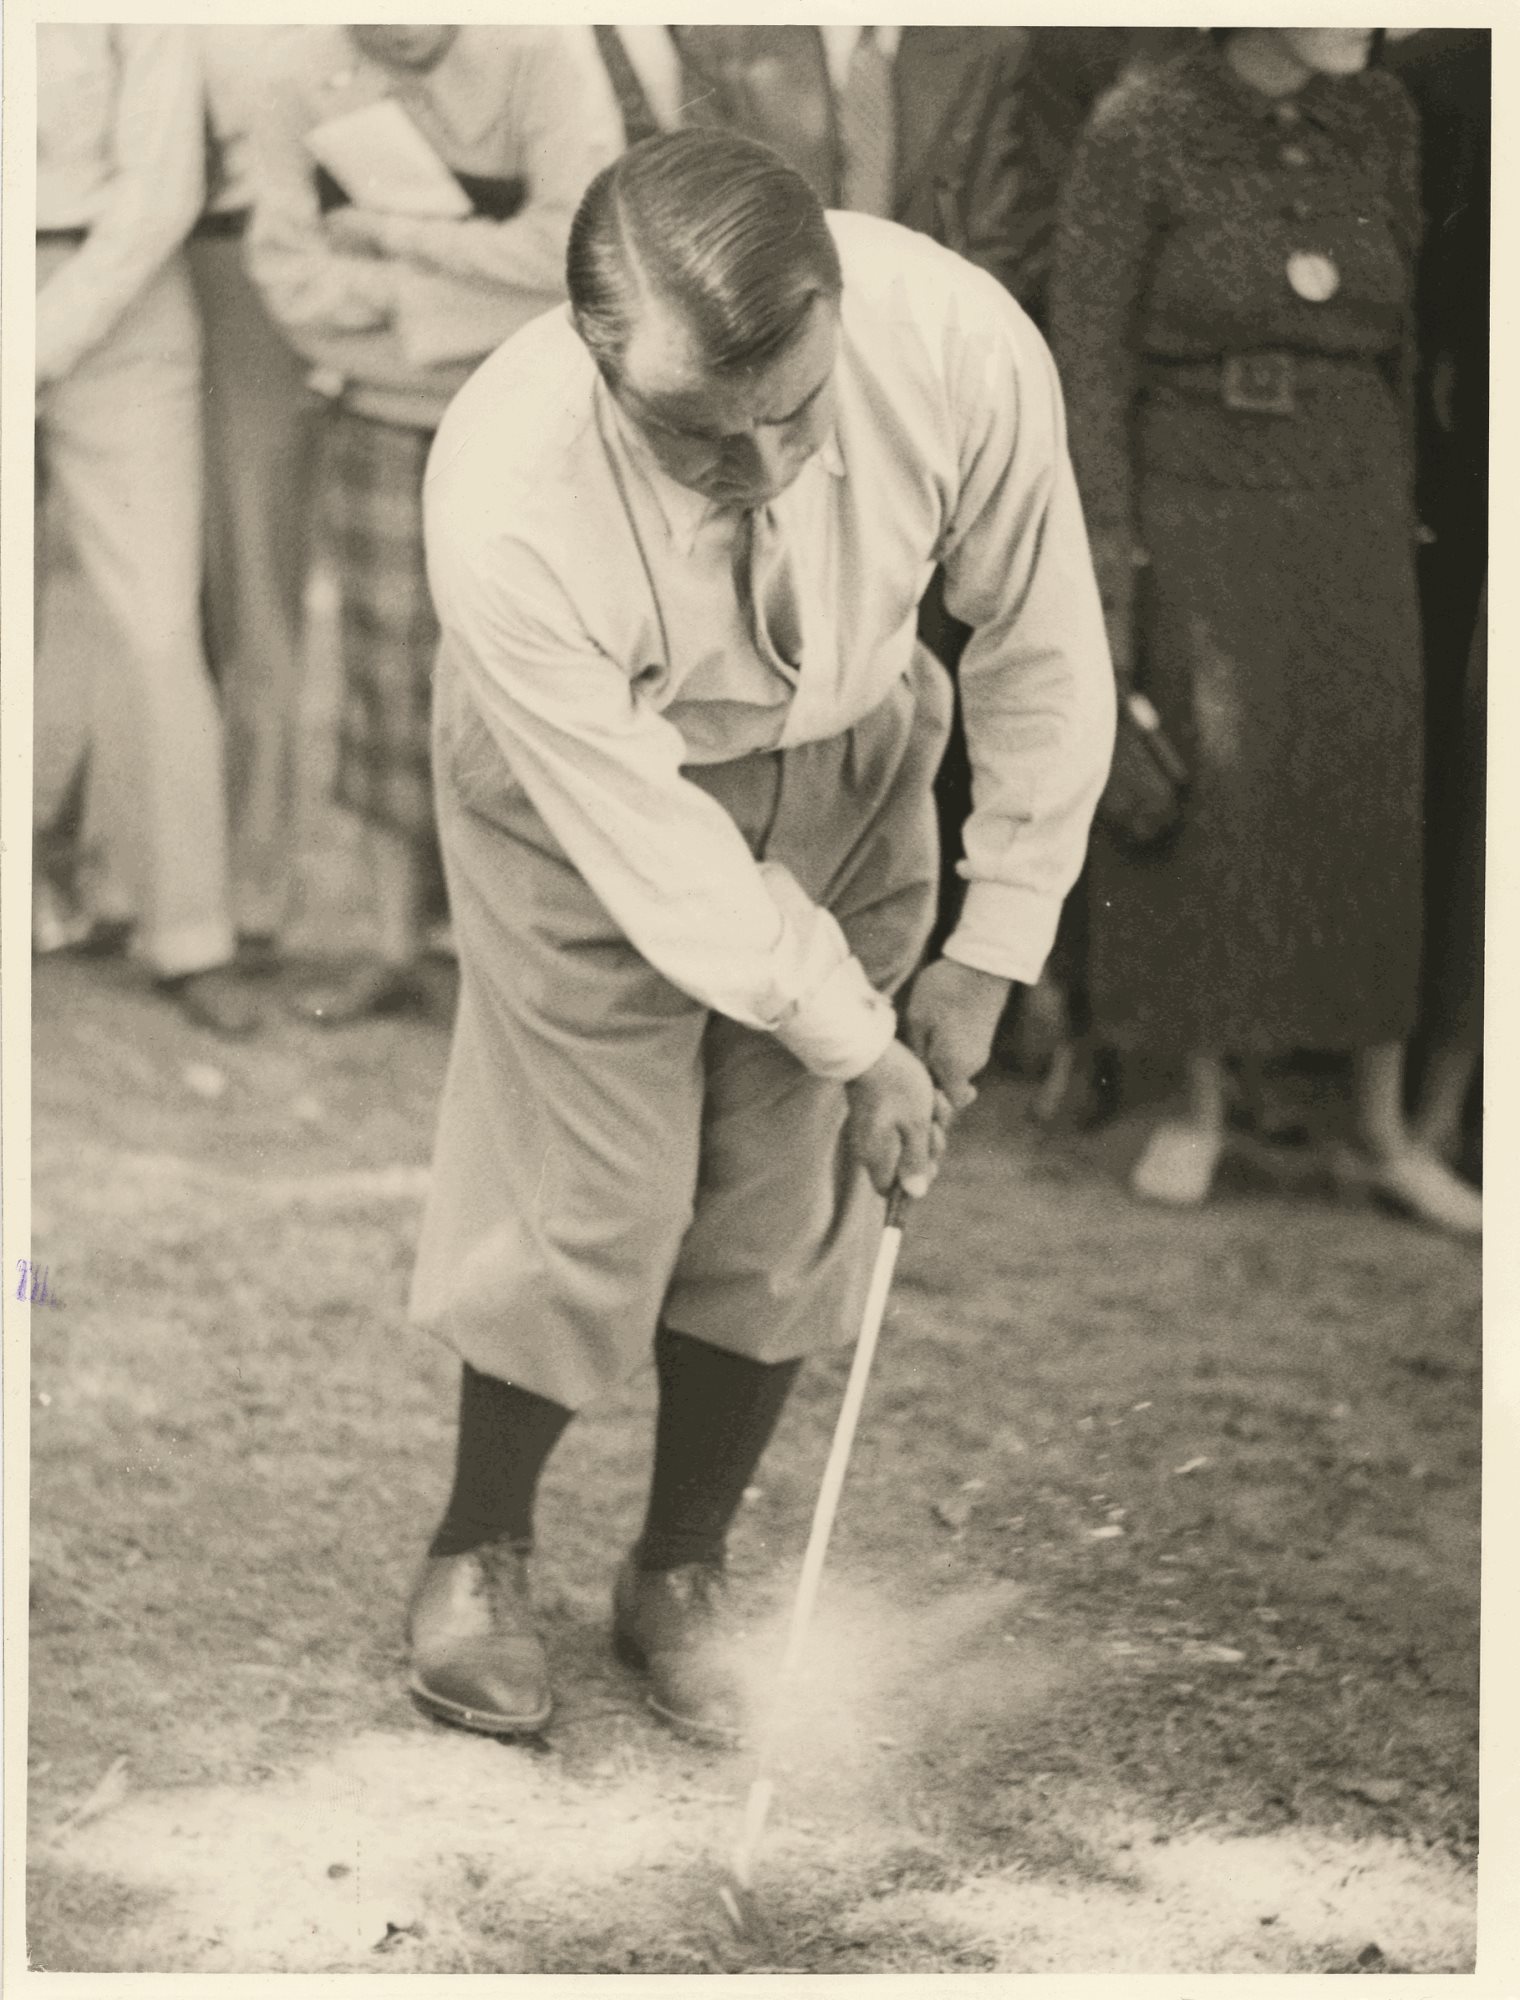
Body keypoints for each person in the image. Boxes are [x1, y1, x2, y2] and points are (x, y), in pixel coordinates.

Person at [405, 131, 1113, 1741]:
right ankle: (478, 1546)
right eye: (698, 436)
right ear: (596, 358)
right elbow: (659, 860)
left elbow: (1040, 644)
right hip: (594, 794)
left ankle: (680, 1568)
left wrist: (990, 950)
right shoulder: (504, 492)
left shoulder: (961, 343)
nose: (765, 465)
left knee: (791, 1189)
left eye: (794, 411)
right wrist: (860, 1036)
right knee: (592, 1181)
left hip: (853, 750)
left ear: (836, 304)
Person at [1050, 28, 1480, 1236]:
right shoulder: (1139, 127)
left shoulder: (1382, 115)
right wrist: (1109, 557)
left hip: (1352, 495)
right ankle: (1196, 1105)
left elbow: (1401, 338)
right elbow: (1086, 362)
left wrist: (1395, 501)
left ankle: (1381, 1130)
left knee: (1363, 786)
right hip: (1193, 489)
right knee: (1208, 789)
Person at [244, 24, 620, 1024]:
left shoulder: (541, 52)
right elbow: (289, 279)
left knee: (539, 678)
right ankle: (390, 945)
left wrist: (389, 239)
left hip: (532, 418)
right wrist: (466, 306)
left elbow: (572, 248)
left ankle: (520, 950)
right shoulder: (292, 74)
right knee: (384, 679)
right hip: (378, 416)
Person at [34, 25, 256, 1034]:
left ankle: (188, 935)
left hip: (117, 290)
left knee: (157, 626)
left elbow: (161, 188)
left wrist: (38, 343)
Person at [190, 28, 325, 972]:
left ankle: (250, 889)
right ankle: (127, 872)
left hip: (250, 265)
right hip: (132, 259)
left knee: (255, 589)